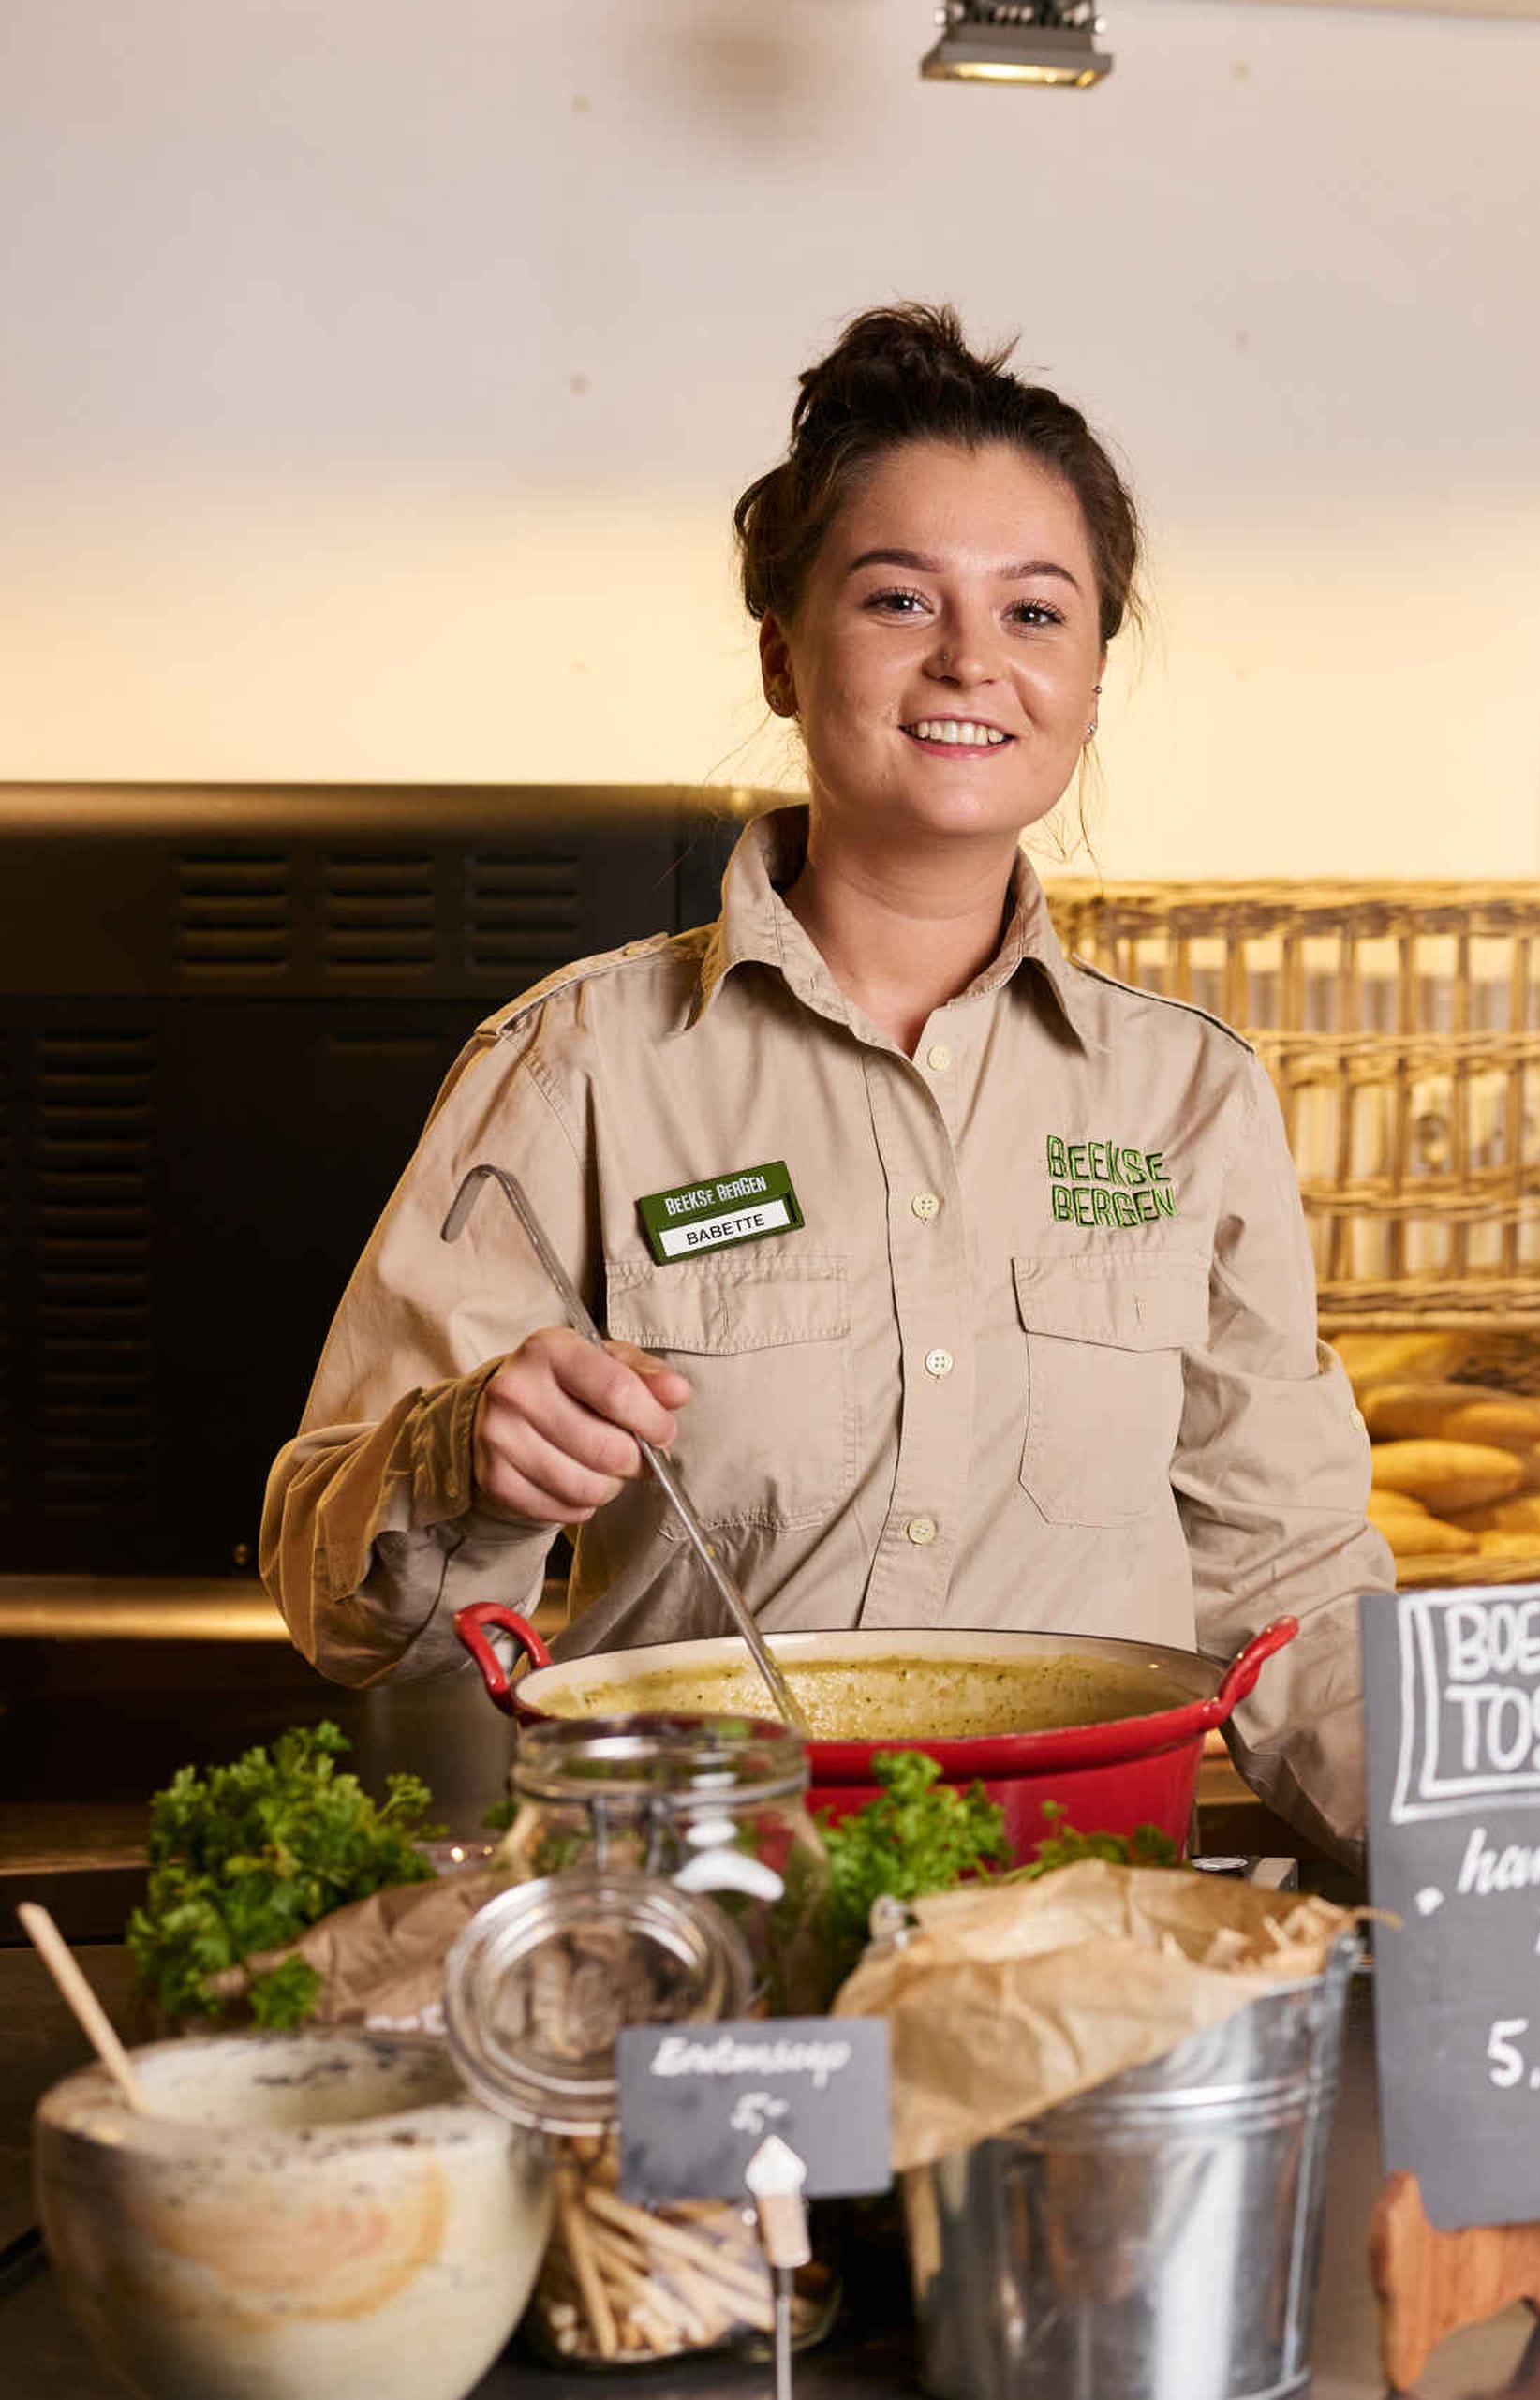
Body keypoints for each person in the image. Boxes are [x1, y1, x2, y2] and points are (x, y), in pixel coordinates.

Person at [263, 304, 1383, 1853]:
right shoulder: (579, 1065)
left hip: (1079, 1939)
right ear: (786, 656)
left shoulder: (1188, 1100)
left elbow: (1295, 1593)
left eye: (1039, 613)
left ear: (1096, 678)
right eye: (899, 597)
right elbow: (339, 1601)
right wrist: (469, 1456)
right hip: (701, 1931)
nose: (973, 660)